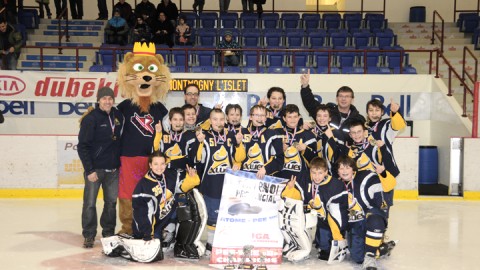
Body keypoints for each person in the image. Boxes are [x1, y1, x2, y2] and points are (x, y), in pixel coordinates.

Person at [77, 87, 124, 248]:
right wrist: (89, 170)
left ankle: (108, 233)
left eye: (110, 98)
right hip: (95, 170)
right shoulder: (91, 119)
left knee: (111, 203)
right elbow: (82, 146)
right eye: (104, 98)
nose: (107, 101)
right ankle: (89, 235)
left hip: (113, 170)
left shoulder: (118, 115)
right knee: (89, 203)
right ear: (98, 100)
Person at [194, 108, 244, 254]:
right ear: (210, 120)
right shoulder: (204, 136)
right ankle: (210, 243)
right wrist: (200, 144)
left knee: (229, 214)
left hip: (228, 184)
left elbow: (239, 158)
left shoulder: (231, 136)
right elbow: (199, 159)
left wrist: (239, 145)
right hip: (210, 183)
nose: (218, 122)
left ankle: (224, 242)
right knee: (213, 215)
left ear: (225, 120)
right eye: (215, 119)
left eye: (221, 119)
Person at [282, 157, 348, 262]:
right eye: (314, 173)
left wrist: (337, 234)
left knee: (326, 248)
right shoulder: (304, 179)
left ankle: (330, 240)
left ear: (326, 172)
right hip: (310, 216)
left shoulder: (336, 185)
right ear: (310, 171)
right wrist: (290, 189)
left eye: (320, 173)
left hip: (326, 218)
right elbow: (295, 200)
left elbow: (339, 212)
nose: (316, 176)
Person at [336, 156, 387, 270]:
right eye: (341, 168)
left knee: (375, 219)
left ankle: (370, 256)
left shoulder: (367, 177)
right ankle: (380, 248)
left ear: (353, 169)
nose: (344, 171)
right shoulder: (337, 185)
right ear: (337, 171)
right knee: (358, 258)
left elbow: (380, 204)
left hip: (369, 218)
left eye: (347, 168)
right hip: (354, 224)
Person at [300, 70, 365, 145]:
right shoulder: (327, 111)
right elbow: (310, 103)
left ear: (352, 99)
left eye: (347, 96)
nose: (343, 99)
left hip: (346, 155)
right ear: (336, 98)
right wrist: (305, 87)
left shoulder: (359, 119)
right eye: (341, 96)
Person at [237, 105, 284, 179]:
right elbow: (233, 156)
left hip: (264, 179)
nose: (259, 118)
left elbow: (280, 160)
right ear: (251, 117)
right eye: (256, 115)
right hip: (244, 179)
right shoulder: (241, 133)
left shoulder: (274, 135)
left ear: (266, 118)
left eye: (262, 115)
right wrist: (236, 163)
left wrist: (266, 168)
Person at [277, 104, 317, 180]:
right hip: (281, 177)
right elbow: (269, 157)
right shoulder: (276, 134)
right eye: (289, 117)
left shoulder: (308, 135)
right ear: (284, 118)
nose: (293, 120)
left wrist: (306, 150)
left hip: (302, 178)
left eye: (295, 117)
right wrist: (280, 149)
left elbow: (315, 160)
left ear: (299, 117)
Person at [312, 104, 342, 176]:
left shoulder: (338, 134)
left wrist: (331, 138)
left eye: (325, 116)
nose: (322, 118)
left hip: (333, 175)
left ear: (330, 118)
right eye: (319, 116)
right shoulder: (311, 133)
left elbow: (340, 157)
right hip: (315, 174)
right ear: (316, 117)